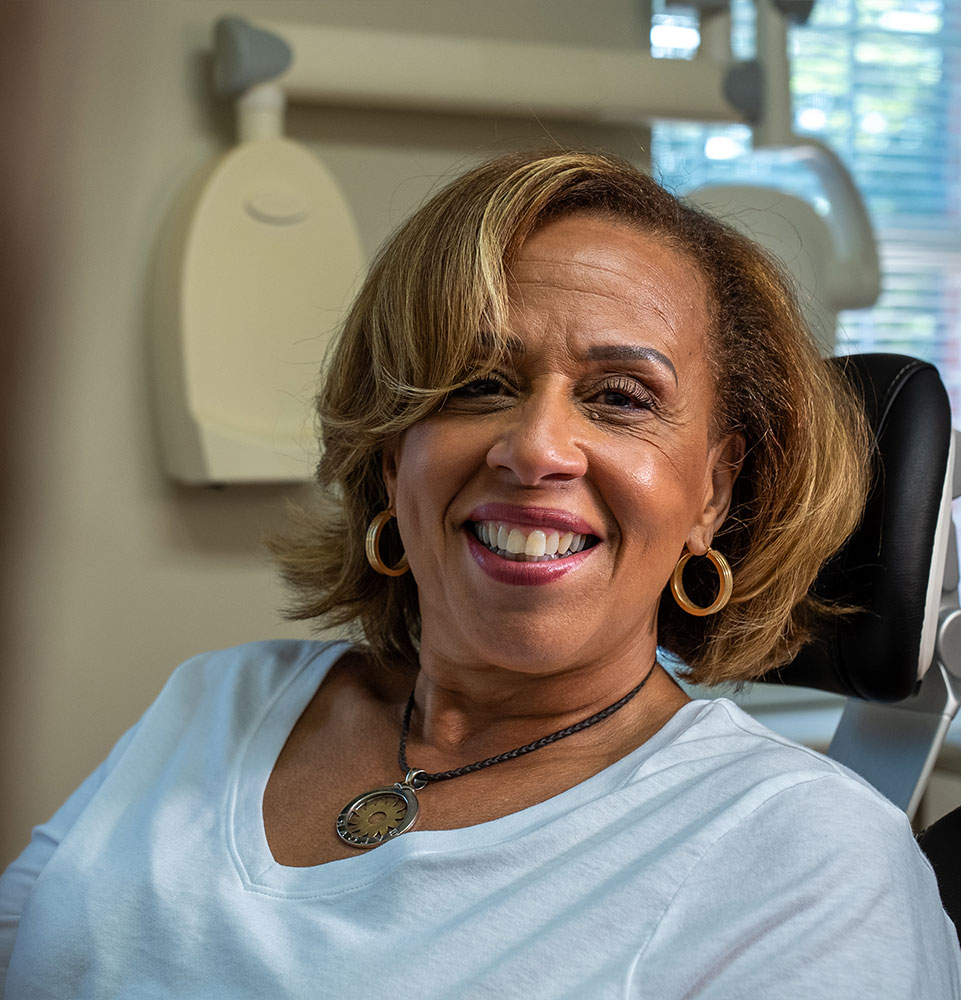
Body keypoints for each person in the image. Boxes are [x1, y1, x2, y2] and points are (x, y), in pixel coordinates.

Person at [1, 150, 958, 997]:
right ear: (388, 452)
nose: (536, 448)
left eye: (621, 399)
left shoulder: (807, 862)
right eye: (475, 383)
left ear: (712, 491)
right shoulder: (215, 701)